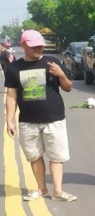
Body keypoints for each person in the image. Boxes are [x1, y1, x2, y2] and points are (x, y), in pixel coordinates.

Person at [4, 30, 77, 202]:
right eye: (34, 46)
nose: (39, 49)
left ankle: (58, 191)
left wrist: (61, 74)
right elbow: (11, 95)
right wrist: (9, 120)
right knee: (34, 156)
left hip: (54, 119)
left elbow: (68, 87)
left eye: (40, 46)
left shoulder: (52, 62)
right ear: (23, 45)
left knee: (56, 156)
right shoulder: (14, 68)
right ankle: (41, 188)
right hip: (28, 122)